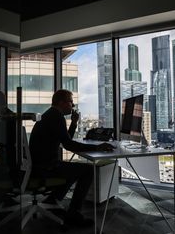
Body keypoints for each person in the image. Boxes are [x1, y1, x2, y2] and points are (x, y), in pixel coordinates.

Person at [29, 89, 114, 227]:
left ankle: (53, 199)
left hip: (41, 165)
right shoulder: (56, 117)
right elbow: (68, 144)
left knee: (72, 169)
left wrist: (74, 123)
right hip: (46, 168)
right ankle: (74, 214)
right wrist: (97, 148)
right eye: (71, 102)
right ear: (62, 102)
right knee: (87, 170)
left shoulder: (51, 115)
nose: (73, 106)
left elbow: (64, 140)